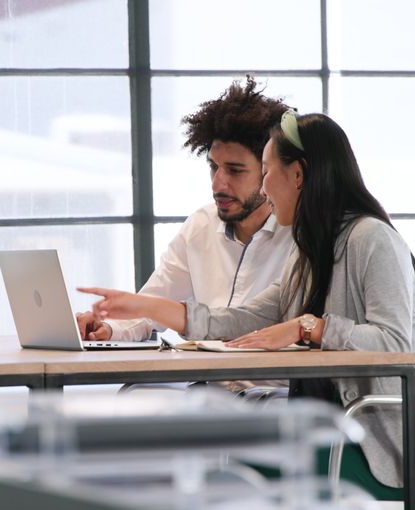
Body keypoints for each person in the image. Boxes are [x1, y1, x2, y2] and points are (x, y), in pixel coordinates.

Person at [78, 111, 415, 492]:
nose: (263, 188)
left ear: (298, 174)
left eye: (265, 172)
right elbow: (244, 318)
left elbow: (395, 345)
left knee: (237, 461)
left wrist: (308, 326)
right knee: (219, 451)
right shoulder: (311, 250)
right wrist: (143, 306)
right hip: (349, 430)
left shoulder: (372, 239)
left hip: (399, 450)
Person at [75, 77, 295, 349]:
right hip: (207, 382)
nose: (218, 184)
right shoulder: (201, 225)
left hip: (269, 386)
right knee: (136, 392)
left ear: (267, 169)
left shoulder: (299, 234)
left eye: (235, 171)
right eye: (213, 167)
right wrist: (107, 328)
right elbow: (152, 305)